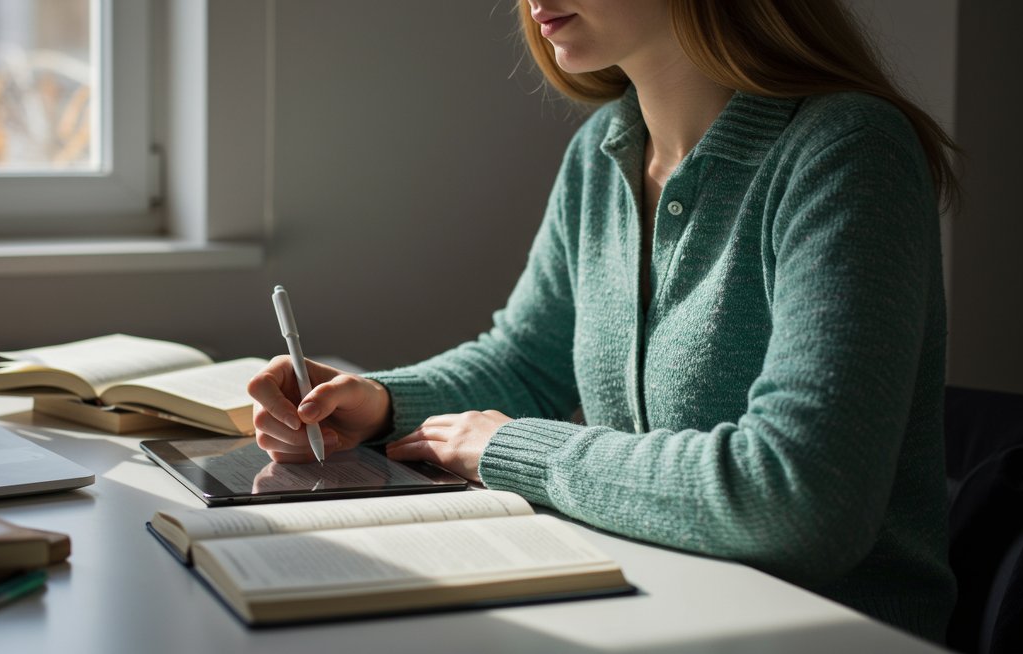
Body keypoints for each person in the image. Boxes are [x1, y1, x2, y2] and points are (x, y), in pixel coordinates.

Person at [246, 0, 958, 643]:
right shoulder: (604, 150)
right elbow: (527, 360)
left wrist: (513, 449)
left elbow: (797, 498)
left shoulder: (847, 152)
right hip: (645, 609)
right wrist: (381, 403)